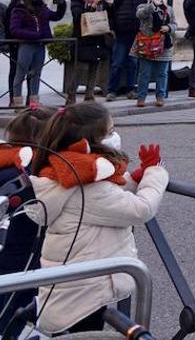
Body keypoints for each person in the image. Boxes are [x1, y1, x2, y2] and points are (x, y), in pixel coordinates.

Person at [28, 103, 168, 335]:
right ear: (89, 142)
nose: (115, 136)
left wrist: (132, 179)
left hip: (73, 287)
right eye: (110, 131)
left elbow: (109, 197)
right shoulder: (86, 186)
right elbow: (140, 209)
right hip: (83, 295)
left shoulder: (66, 171)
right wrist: (156, 172)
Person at [0, 106, 53, 338]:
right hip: (24, 258)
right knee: (13, 312)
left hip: (9, 251)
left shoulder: (6, 165)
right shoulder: (40, 175)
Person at [7, 0, 67, 110]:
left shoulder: (43, 9)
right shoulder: (19, 10)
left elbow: (56, 16)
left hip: (40, 45)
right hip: (26, 45)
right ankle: (17, 102)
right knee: (21, 73)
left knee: (36, 73)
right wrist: (34, 35)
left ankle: (34, 102)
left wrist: (62, 5)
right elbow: (15, 29)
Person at [68, 0, 112, 105]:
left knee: (94, 67)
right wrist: (92, 6)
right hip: (82, 38)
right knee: (80, 68)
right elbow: (77, 17)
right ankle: (71, 95)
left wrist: (109, 5)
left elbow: (108, 16)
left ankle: (89, 94)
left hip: (97, 37)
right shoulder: (76, 0)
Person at [132, 0, 176, 106]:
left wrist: (169, 28)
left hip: (164, 44)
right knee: (144, 73)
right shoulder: (143, 7)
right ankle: (141, 97)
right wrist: (152, 5)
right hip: (147, 44)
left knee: (162, 73)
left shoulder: (169, 9)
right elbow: (140, 15)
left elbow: (174, 23)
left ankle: (160, 97)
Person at [106, 0, 146, 100]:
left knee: (133, 63)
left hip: (136, 32)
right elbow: (108, 12)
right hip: (121, 32)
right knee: (117, 63)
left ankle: (131, 89)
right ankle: (112, 90)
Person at [3, 0, 28, 104]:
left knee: (31, 72)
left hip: (29, 43)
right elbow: (9, 27)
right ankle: (14, 98)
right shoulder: (13, 7)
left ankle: (31, 99)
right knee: (15, 71)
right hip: (16, 44)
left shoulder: (34, 5)